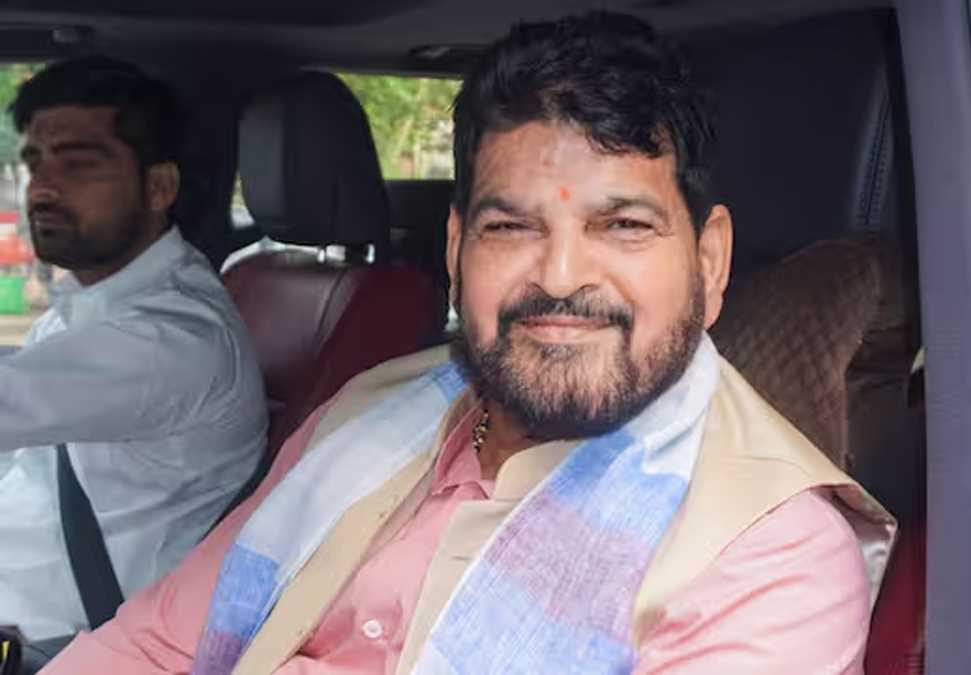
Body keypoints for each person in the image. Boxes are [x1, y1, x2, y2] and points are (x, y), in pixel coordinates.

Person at [45, 13, 894, 674]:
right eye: (511, 226)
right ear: (456, 251)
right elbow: (154, 644)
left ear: (708, 262)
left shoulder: (770, 556)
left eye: (624, 225)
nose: (560, 275)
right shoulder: (372, 407)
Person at [0, 57, 267, 642]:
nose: (42, 187)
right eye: (36, 163)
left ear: (159, 187)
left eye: (77, 164)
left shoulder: (172, 338)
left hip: (56, 645)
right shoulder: (94, 306)